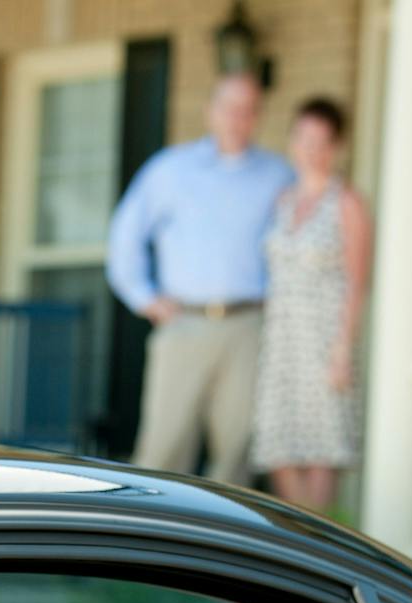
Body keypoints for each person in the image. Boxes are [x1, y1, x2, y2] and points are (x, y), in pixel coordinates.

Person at [106, 72, 295, 483]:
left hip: (248, 326)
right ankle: (146, 542)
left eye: (247, 110)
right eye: (228, 107)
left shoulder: (278, 176)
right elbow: (125, 236)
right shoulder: (171, 170)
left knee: (237, 453)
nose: (236, 119)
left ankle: (224, 547)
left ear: (257, 116)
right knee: (163, 449)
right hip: (183, 322)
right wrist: (144, 298)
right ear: (210, 111)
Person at [251, 97, 372, 514]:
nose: (312, 150)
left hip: (323, 340)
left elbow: (358, 283)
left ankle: (320, 549)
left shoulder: (347, 203)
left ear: (337, 147)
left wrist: (342, 350)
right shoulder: (282, 201)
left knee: (322, 451)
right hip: (283, 341)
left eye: (322, 142)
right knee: (280, 447)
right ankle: (296, 546)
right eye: (304, 139)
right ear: (292, 142)